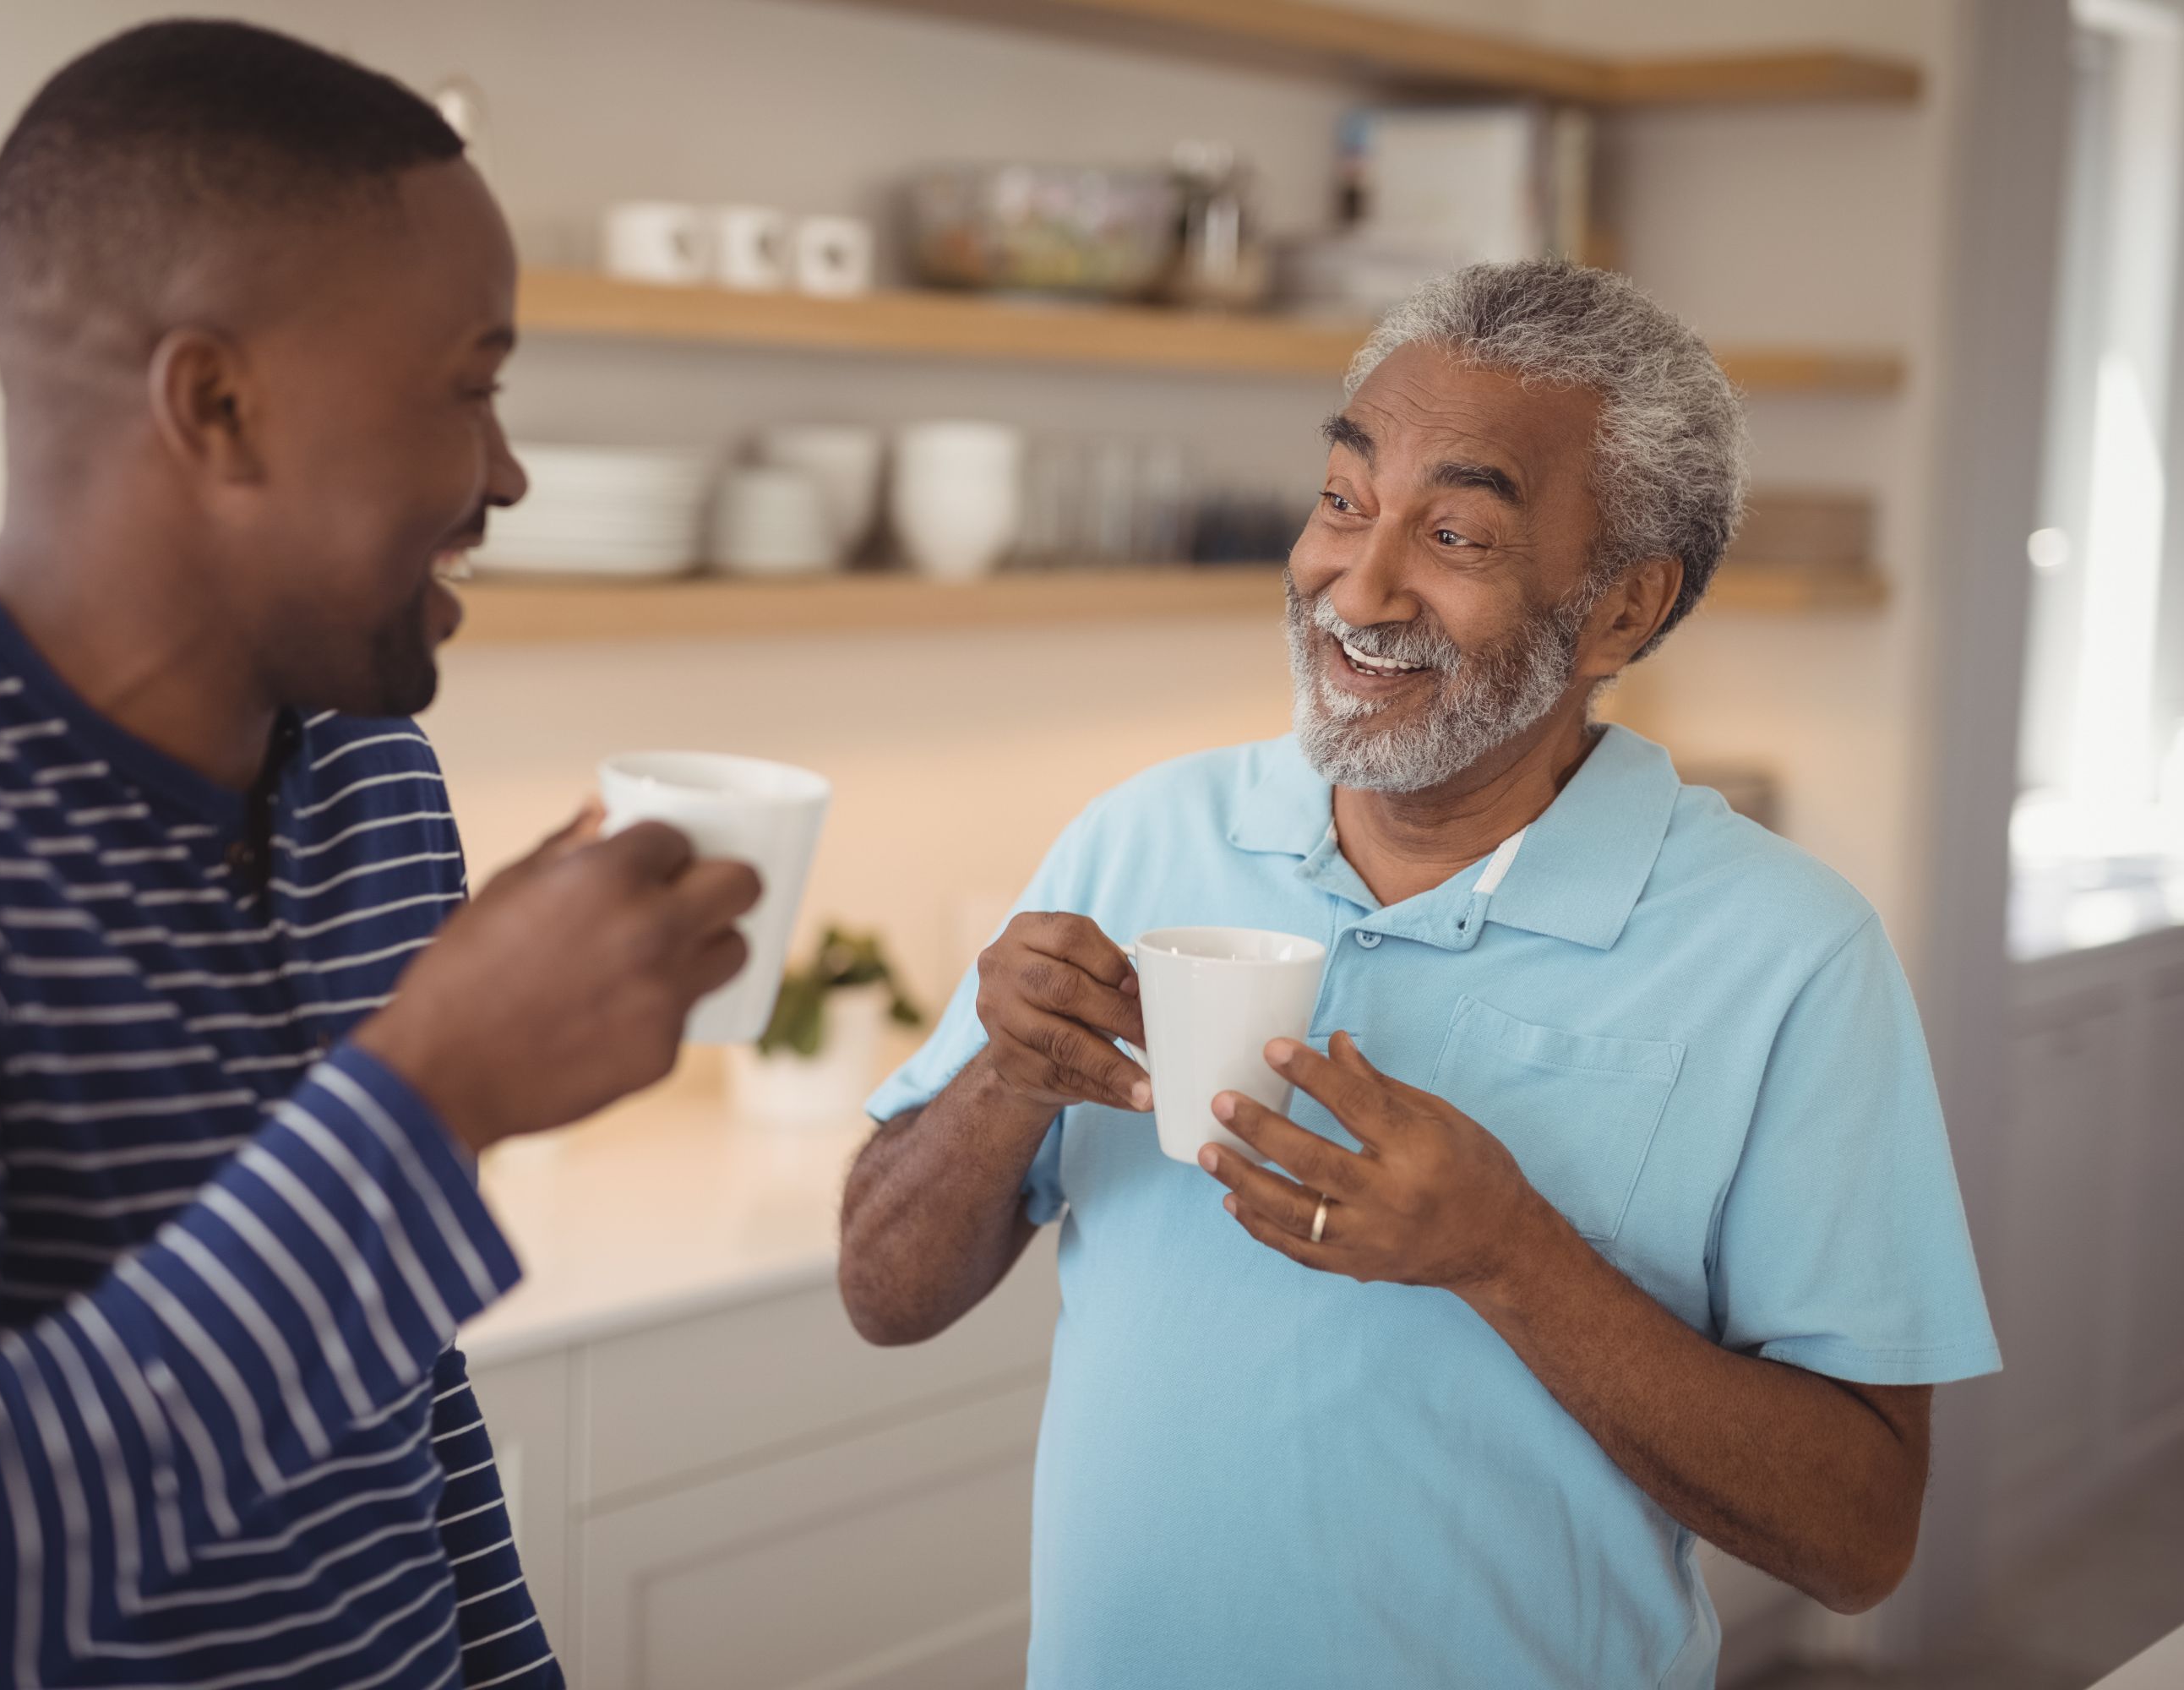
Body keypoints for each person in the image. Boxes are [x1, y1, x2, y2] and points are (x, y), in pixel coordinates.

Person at [0, 21, 759, 1689]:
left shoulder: (367, 771)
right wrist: (431, 1093)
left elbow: (387, 1376)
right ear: (218, 405)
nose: (507, 472)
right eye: (470, 385)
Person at [839, 260, 2001, 1688]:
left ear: (1626, 611)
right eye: (1343, 501)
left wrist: (1508, 1256)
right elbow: (882, 1294)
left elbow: (1863, 1535)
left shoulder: (1789, 953)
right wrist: (1001, 1085)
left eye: (1453, 532)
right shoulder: (1140, 837)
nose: (1356, 583)